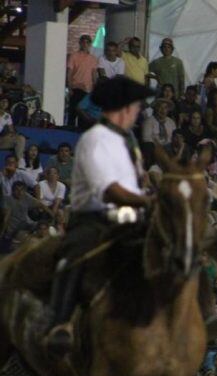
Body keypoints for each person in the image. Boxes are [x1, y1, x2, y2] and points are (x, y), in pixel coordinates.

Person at [43, 76, 155, 355]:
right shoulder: (95, 139)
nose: (138, 112)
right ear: (125, 108)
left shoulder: (127, 141)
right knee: (77, 251)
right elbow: (109, 191)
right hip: (95, 218)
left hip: (129, 214)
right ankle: (60, 322)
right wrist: (147, 200)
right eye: (136, 107)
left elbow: (135, 185)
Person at [66, 34, 98, 127]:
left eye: (87, 42)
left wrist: (95, 89)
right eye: (83, 42)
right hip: (76, 87)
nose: (85, 44)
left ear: (90, 44)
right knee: (73, 112)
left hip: (87, 90)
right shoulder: (74, 56)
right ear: (80, 43)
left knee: (83, 115)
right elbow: (69, 72)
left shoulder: (93, 59)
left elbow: (94, 75)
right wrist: (69, 87)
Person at [0, 96, 27, 160]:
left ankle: (20, 164)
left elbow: (11, 131)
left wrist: (11, 134)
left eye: (6, 102)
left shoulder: (7, 116)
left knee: (21, 139)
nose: (4, 103)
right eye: (2, 101)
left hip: (1, 140)